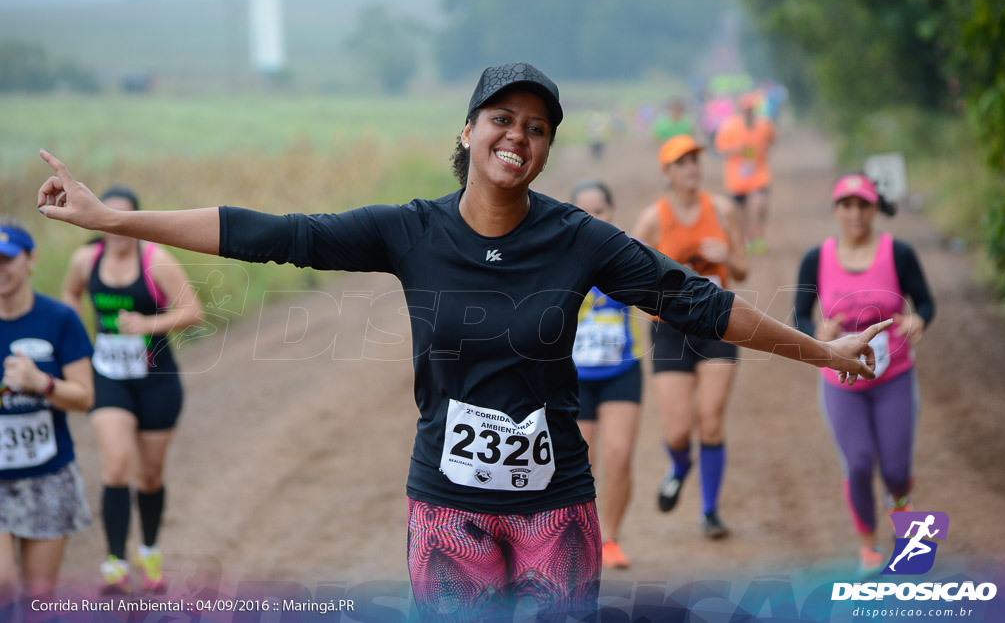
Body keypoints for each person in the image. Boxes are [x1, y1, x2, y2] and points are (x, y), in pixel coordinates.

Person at [37, 62, 888, 622]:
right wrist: (112, 217)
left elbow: (700, 304)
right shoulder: (411, 231)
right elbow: (271, 232)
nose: (518, 135)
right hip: (446, 506)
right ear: (469, 129)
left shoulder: (581, 240)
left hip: (556, 506)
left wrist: (824, 350)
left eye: (537, 127)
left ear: (548, 148)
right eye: (502, 118)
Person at [61, 186, 204, 595]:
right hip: (107, 377)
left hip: (157, 381)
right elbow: (70, 295)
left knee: (150, 476)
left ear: (137, 222)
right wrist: (76, 338)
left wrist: (147, 325)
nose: (117, 227)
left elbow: (193, 311)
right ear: (99, 221)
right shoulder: (85, 261)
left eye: (126, 219)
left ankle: (150, 549)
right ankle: (115, 564)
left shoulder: (155, 260)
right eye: (110, 217)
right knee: (116, 467)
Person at [794, 174, 934, 576]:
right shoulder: (816, 258)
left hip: (895, 376)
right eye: (847, 205)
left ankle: (903, 515)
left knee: (895, 469)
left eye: (863, 205)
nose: (855, 213)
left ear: (875, 209)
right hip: (842, 381)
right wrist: (816, 331)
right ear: (837, 210)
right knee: (857, 463)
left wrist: (917, 320)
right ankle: (868, 548)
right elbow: (800, 316)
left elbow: (925, 303)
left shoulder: (898, 253)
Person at [633, 135, 749, 539]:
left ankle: (710, 511)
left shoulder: (723, 209)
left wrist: (727, 258)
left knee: (711, 422)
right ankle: (680, 467)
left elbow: (744, 268)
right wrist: (655, 304)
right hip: (670, 332)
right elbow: (628, 277)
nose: (691, 169)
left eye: (695, 161)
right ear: (667, 173)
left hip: (718, 324)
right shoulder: (653, 219)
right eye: (681, 163)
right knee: (678, 431)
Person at [0, 217, 94, 601]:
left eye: (7, 258)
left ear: (30, 259)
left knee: (39, 599)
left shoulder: (59, 320)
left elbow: (86, 397)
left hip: (48, 476)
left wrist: (42, 383)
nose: (0, 269)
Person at [569, 180, 645, 569]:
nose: (594, 218)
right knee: (583, 464)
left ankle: (610, 539)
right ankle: (582, 542)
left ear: (613, 212)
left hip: (621, 371)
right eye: (585, 212)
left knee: (618, 455)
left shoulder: (626, 256)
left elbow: (658, 298)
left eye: (601, 210)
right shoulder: (560, 259)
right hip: (575, 377)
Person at [714, 93, 776, 254]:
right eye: (745, 110)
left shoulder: (764, 126)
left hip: (758, 176)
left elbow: (772, 139)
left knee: (758, 204)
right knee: (739, 214)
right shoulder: (730, 127)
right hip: (736, 179)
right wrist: (736, 150)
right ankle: (745, 239)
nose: (748, 113)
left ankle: (757, 236)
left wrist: (764, 151)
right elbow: (720, 148)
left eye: (751, 110)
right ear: (740, 110)